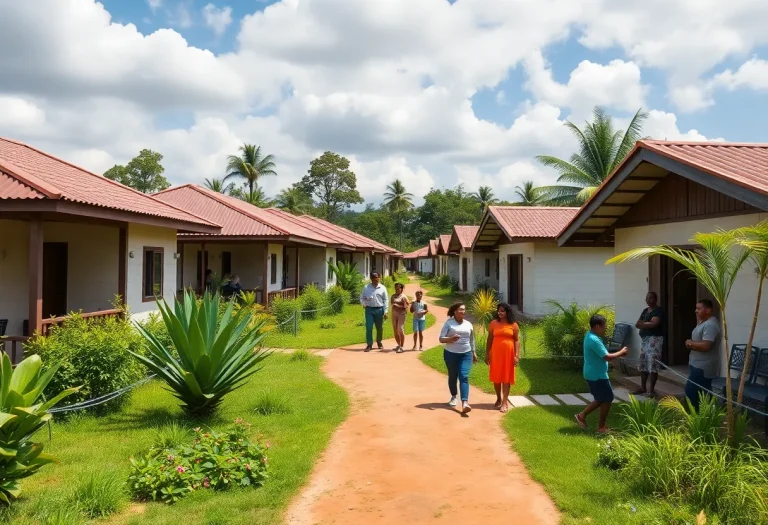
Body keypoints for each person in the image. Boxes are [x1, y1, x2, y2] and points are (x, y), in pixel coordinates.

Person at [575, 314, 628, 433]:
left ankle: (584, 417)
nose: (605, 328)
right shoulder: (594, 340)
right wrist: (621, 352)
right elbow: (606, 357)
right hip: (597, 375)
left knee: (602, 398)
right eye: (604, 326)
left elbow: (600, 355)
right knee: (607, 398)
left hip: (594, 373)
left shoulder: (590, 335)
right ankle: (600, 426)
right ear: (597, 326)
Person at [439, 302, 477, 414]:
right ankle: (454, 396)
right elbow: (441, 339)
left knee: (464, 376)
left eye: (464, 310)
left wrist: (473, 352)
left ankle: (465, 402)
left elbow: (472, 339)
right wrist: (451, 339)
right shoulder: (449, 323)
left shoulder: (468, 324)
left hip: (466, 354)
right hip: (451, 354)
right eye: (461, 310)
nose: (463, 312)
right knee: (453, 376)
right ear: (455, 311)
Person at [684, 299, 721, 411]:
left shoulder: (711, 325)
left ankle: (696, 415)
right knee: (703, 392)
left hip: (704, 366)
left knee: (691, 391)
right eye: (696, 308)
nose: (696, 311)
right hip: (696, 363)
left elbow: (706, 345)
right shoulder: (704, 322)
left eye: (699, 309)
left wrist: (690, 343)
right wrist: (692, 344)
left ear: (708, 310)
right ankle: (706, 416)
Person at [485, 303, 519, 413]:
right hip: (496, 354)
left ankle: (504, 402)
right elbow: (489, 339)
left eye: (503, 311)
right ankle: (499, 398)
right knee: (496, 377)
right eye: (499, 310)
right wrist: (487, 353)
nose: (500, 312)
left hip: (508, 354)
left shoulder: (513, 325)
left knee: (506, 377)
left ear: (507, 312)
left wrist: (516, 355)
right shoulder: (493, 324)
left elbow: (516, 340)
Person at [632, 291, 664, 398]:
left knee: (653, 364)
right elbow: (637, 324)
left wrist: (644, 324)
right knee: (643, 363)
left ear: (655, 299)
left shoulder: (658, 311)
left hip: (654, 340)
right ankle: (643, 387)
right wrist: (647, 324)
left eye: (651, 298)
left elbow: (654, 324)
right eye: (647, 298)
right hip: (645, 340)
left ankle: (651, 390)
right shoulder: (645, 311)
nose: (649, 300)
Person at [360, 272, 388, 352]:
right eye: (374, 278)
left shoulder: (382, 288)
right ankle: (369, 344)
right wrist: (364, 303)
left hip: (379, 309)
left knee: (379, 327)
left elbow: (386, 300)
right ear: (371, 279)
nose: (376, 280)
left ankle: (379, 342)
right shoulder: (366, 287)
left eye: (377, 278)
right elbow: (362, 298)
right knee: (369, 327)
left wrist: (385, 311)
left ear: (379, 278)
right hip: (369, 309)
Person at [390, 282, 409, 353]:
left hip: (402, 314)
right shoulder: (393, 296)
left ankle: (402, 346)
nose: (397, 289)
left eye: (399, 288)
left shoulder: (404, 297)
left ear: (401, 289)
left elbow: (406, 306)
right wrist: (395, 305)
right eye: (396, 288)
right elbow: (392, 304)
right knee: (395, 329)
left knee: (400, 329)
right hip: (394, 314)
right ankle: (398, 345)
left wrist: (398, 306)